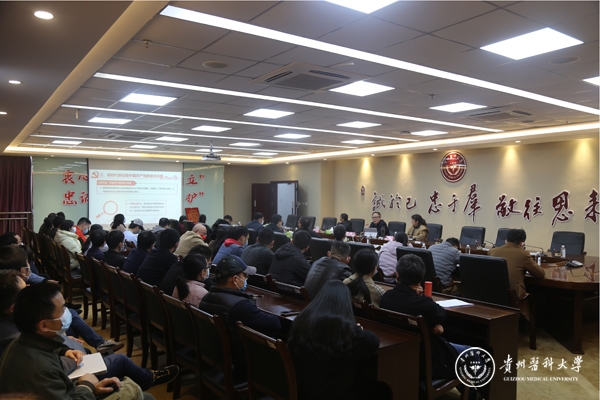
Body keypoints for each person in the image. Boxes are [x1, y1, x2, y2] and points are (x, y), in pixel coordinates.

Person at [0, 282, 178, 399]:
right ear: (44, 325)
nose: (66, 313)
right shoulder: (39, 370)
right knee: (146, 397)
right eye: (62, 310)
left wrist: (91, 387)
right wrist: (86, 386)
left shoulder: (25, 341)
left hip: (75, 389)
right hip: (79, 389)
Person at [287, 280, 391, 400]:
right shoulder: (345, 329)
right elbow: (373, 343)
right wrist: (357, 329)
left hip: (302, 389)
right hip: (332, 392)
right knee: (383, 389)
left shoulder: (302, 319)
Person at [380, 255, 474, 381]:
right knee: (472, 352)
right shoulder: (424, 305)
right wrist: (423, 298)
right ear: (421, 278)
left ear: (397, 275)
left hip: (398, 358)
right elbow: (441, 314)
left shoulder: (385, 298)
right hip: (429, 361)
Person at [199, 256, 279, 376]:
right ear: (235, 279)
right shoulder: (240, 306)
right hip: (244, 362)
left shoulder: (207, 297)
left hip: (220, 355)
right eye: (244, 276)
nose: (246, 279)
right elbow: (275, 324)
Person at [488, 229, 545, 316]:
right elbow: (540, 274)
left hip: (493, 296)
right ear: (522, 243)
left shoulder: (492, 252)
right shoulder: (523, 254)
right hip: (514, 299)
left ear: (506, 240)